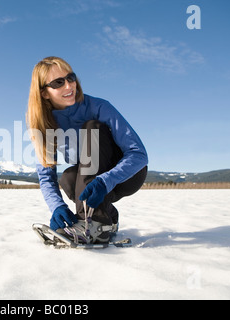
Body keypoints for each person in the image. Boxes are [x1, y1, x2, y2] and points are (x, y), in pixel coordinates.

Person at [26, 56, 148, 244]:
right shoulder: (46, 124)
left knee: (93, 128)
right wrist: (57, 206)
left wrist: (106, 180)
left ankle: (94, 225)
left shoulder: (98, 107)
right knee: (68, 178)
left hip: (127, 175)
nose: (69, 86)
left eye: (71, 78)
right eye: (58, 83)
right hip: (92, 178)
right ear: (44, 93)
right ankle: (108, 218)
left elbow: (139, 154)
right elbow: (46, 175)